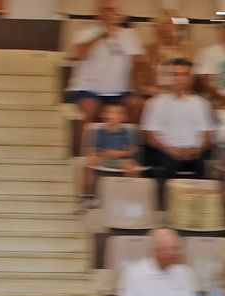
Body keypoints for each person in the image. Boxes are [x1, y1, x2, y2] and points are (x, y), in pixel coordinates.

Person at [65, 0, 144, 130]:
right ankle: (83, 149)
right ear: (99, 13)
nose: (112, 14)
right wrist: (101, 33)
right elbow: (79, 55)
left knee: (137, 105)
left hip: (120, 92)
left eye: (115, 11)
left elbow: (138, 62)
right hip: (88, 91)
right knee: (89, 109)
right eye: (108, 10)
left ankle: (130, 147)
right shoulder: (85, 32)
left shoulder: (129, 35)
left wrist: (138, 90)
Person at [140, 59, 214, 191]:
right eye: (175, 75)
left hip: (193, 152)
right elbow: (149, 136)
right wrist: (170, 150)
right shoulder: (155, 103)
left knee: (200, 167)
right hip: (164, 151)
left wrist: (197, 150)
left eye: (184, 75)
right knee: (168, 164)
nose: (179, 79)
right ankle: (163, 205)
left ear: (190, 78)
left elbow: (208, 136)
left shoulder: (202, 104)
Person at [81, 100, 142, 205]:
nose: (113, 116)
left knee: (132, 167)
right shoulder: (99, 132)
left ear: (124, 117)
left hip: (121, 161)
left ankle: (131, 197)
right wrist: (105, 154)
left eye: (118, 113)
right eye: (110, 112)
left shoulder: (127, 132)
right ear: (104, 115)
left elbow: (132, 150)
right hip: (103, 159)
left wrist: (119, 153)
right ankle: (89, 196)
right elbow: (92, 150)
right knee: (89, 163)